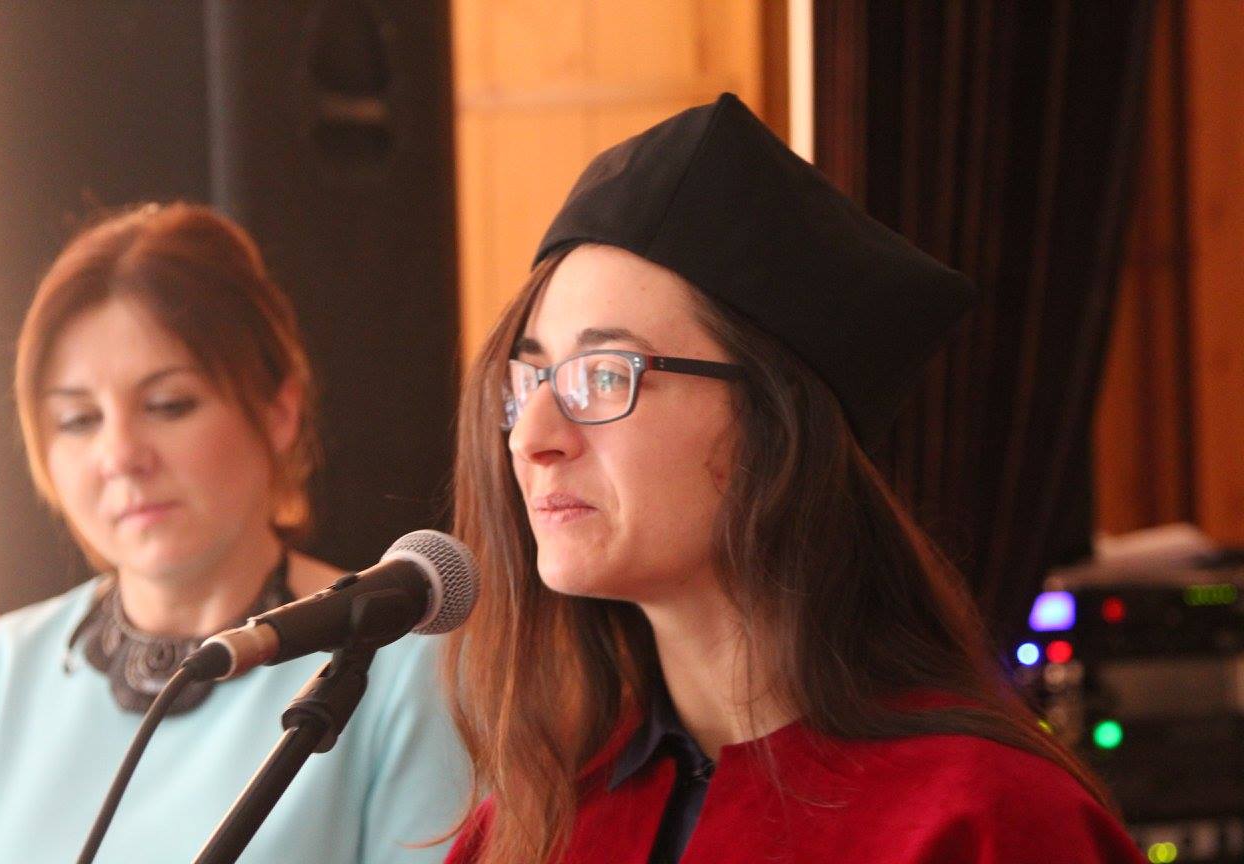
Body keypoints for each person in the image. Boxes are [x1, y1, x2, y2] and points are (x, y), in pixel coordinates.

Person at [441, 94, 1145, 863]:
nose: (532, 439)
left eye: (605, 376)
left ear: (774, 426)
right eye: (529, 381)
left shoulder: (983, 823)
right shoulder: (534, 825)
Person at [0, 203, 466, 863]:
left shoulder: (406, 669)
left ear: (279, 411)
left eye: (168, 405)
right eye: (79, 420)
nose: (120, 455)